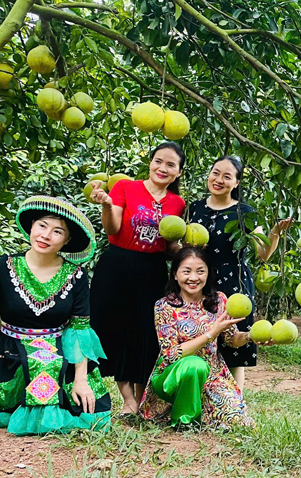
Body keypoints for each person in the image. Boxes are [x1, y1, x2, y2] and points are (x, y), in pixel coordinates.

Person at [0, 196, 110, 435]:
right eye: (42, 226)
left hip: (63, 351)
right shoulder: (2, 267)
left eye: (57, 231)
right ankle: (38, 410)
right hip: (11, 354)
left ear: (67, 240)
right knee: (44, 360)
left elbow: (79, 330)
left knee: (94, 407)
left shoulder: (76, 275)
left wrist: (80, 379)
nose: (46, 235)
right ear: (31, 226)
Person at [89, 141, 187, 415]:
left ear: (178, 172)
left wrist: (190, 252)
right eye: (159, 161)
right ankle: (128, 400)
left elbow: (167, 247)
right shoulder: (125, 188)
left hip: (153, 270)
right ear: (150, 162)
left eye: (171, 165)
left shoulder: (177, 203)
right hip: (118, 265)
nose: (163, 168)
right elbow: (113, 228)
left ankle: (145, 399)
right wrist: (107, 205)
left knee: (148, 333)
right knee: (119, 329)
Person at [187, 155, 291, 391]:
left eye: (227, 176)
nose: (219, 180)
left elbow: (262, 253)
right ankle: (201, 395)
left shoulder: (245, 212)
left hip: (234, 283)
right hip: (199, 281)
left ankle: (235, 401)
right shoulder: (194, 209)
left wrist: (275, 232)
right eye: (215, 173)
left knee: (234, 342)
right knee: (200, 337)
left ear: (236, 183)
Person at [138, 247, 253, 429]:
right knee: (194, 365)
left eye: (200, 271)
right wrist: (210, 334)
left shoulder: (220, 301)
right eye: (186, 271)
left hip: (212, 377)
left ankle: (203, 408)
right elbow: (170, 354)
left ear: (208, 274)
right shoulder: (165, 306)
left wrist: (250, 336)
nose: (193, 278)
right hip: (173, 377)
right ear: (175, 274)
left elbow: (232, 339)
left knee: (239, 422)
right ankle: (185, 421)